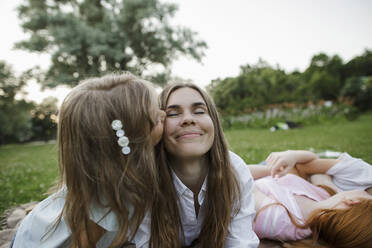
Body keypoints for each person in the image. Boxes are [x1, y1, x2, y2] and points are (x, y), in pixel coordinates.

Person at [12, 73, 165, 248]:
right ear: (133, 138)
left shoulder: (110, 174)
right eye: (157, 118)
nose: (164, 114)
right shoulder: (109, 200)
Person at [149, 83, 259, 248]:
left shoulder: (234, 169)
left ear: (213, 120)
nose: (188, 119)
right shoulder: (146, 178)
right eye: (172, 114)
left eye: (199, 111)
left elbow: (241, 243)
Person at [248, 150, 372, 248]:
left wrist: (270, 171)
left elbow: (241, 182)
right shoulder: (326, 195)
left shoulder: (281, 221)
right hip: (265, 173)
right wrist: (292, 155)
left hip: (245, 176)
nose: (366, 192)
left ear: (352, 201)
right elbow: (313, 161)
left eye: (368, 196)